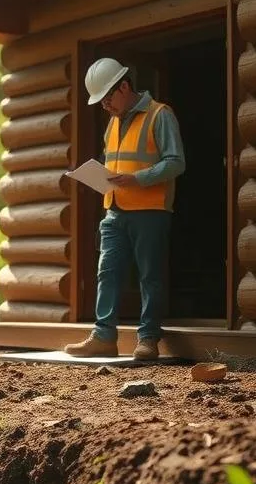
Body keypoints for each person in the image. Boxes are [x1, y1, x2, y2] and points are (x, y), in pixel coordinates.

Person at [65, 58, 186, 362]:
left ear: (124, 86)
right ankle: (103, 337)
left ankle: (148, 339)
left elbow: (176, 162)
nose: (105, 105)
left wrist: (138, 179)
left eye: (108, 97)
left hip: (150, 210)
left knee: (150, 276)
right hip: (115, 211)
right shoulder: (113, 123)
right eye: (100, 100)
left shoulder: (161, 114)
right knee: (107, 273)